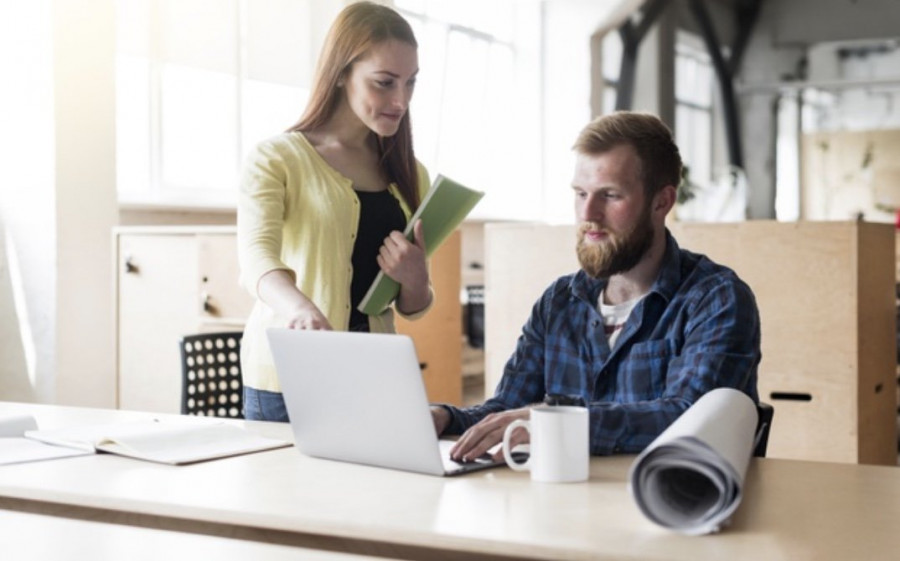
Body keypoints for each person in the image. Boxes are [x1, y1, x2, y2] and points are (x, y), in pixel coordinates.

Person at [432, 111, 761, 461]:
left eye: (610, 195)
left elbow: (688, 418)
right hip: (562, 502)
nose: (588, 213)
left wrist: (556, 424)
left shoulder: (716, 300)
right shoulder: (558, 302)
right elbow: (509, 410)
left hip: (665, 505)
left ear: (661, 201)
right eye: (580, 193)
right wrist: (445, 418)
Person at [237, 2, 432, 421]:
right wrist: (300, 308)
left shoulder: (411, 173)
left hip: (373, 374)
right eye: (384, 82)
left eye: (410, 83)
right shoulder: (276, 158)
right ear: (342, 73)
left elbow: (410, 306)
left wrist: (418, 279)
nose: (401, 100)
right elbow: (256, 258)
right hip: (287, 376)